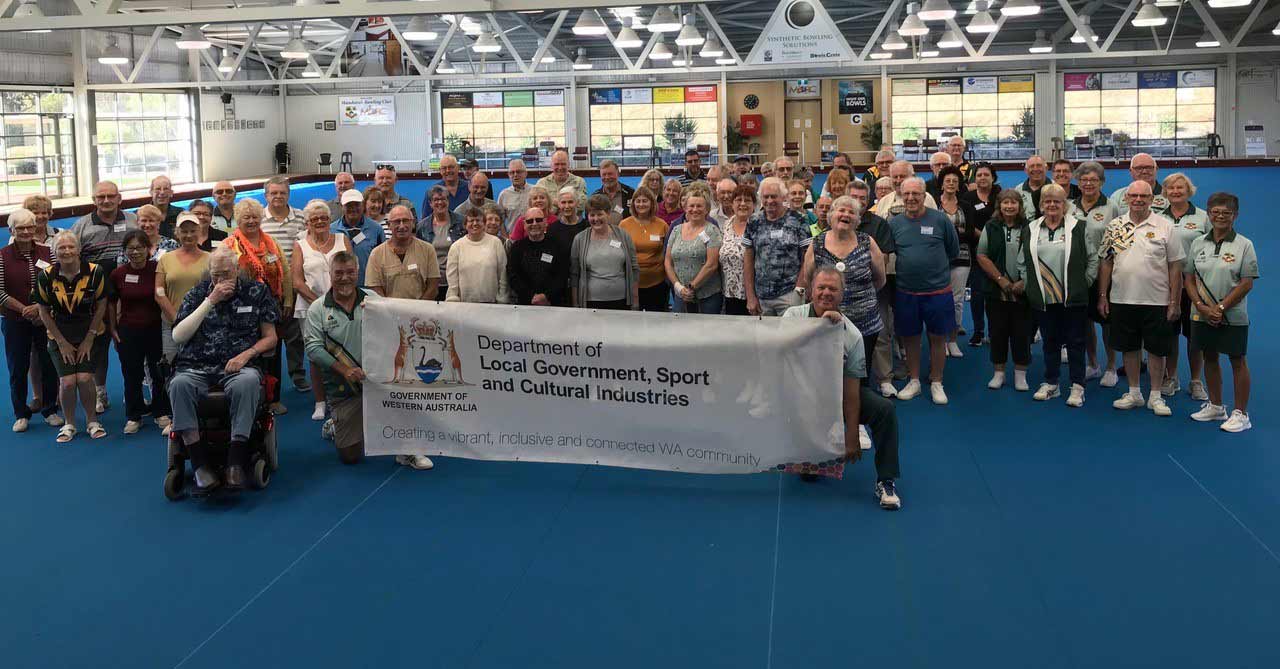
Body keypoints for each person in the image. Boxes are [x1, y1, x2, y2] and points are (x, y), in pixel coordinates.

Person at [782, 265, 901, 511]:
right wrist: (822, 329)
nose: (826, 293)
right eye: (821, 287)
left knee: (884, 409)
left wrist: (852, 436)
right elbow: (781, 353)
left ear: (842, 295)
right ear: (811, 291)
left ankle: (886, 481)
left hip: (836, 394)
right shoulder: (792, 317)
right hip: (800, 396)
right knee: (808, 474)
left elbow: (851, 388)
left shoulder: (853, 335)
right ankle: (807, 450)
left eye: (833, 289)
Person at [304, 252, 434, 469]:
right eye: (339, 273)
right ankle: (337, 423)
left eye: (350, 272)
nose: (345, 278)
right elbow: (313, 349)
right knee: (350, 457)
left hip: (379, 380)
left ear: (358, 273)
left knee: (407, 391)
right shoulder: (318, 308)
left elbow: (398, 329)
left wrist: (381, 315)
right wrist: (345, 370)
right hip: (345, 388)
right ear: (330, 274)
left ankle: (407, 450)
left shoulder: (373, 299)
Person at [169, 247, 279, 493]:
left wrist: (247, 354)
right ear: (209, 273)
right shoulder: (197, 295)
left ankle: (235, 461)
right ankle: (199, 464)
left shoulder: (257, 292)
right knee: (178, 384)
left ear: (237, 269)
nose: (221, 280)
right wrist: (210, 301)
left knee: (247, 382)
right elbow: (178, 335)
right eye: (216, 275)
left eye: (226, 274)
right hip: (196, 365)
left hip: (239, 365)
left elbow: (270, 338)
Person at [1097, 180, 1184, 417]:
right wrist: (1103, 295)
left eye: (1143, 196)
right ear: (1125, 198)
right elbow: (1105, 262)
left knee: (1157, 350)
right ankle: (1134, 393)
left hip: (1157, 300)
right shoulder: (1114, 226)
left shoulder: (1165, 227)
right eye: (1133, 195)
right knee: (1129, 348)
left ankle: (1155, 395)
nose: (1137, 200)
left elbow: (1175, 268)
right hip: (1122, 299)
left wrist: (1174, 301)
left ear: (1152, 199)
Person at [1185, 192, 1258, 433]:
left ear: (1235, 216)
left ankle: (1241, 414)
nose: (1220, 217)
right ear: (1209, 213)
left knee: (1237, 360)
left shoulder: (1244, 244)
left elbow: (1247, 282)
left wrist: (1221, 308)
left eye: (1226, 213)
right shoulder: (1198, 243)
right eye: (1215, 212)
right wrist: (1201, 307)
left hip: (1232, 315)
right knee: (1209, 356)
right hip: (1202, 313)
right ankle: (1216, 406)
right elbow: (1188, 278)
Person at [1021, 184, 1098, 407]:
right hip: (1044, 298)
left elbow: (1093, 259)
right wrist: (1031, 286)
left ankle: (1077, 386)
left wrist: (1085, 283)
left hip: (1073, 296)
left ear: (1065, 205)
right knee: (1050, 342)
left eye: (1057, 201)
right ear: (1041, 205)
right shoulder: (1031, 228)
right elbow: (1021, 261)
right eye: (1047, 201)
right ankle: (1051, 383)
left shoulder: (1079, 227)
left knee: (1076, 341)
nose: (1052, 205)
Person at [888, 177, 960, 404]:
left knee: (938, 337)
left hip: (937, 291)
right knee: (910, 338)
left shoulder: (940, 220)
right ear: (901, 196)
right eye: (906, 194)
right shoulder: (895, 224)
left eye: (915, 194)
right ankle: (915, 380)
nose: (910, 198)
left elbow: (953, 250)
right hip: (906, 292)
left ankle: (937, 381)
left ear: (924, 196)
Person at [33, 231, 108, 443]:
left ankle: (92, 421)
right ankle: (69, 424)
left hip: (90, 333)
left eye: (70, 247)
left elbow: (102, 305)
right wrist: (62, 343)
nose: (66, 251)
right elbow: (43, 311)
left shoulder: (95, 272)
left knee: (84, 378)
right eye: (61, 248)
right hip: (59, 335)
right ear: (54, 252)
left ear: (79, 249)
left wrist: (89, 338)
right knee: (67, 382)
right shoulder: (45, 276)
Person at [70, 180, 136, 413]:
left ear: (119, 198)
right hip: (94, 300)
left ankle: (133, 392)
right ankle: (100, 392)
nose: (106, 201)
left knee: (128, 346)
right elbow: (71, 259)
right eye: (101, 197)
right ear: (94, 200)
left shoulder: (133, 221)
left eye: (111, 196)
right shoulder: (81, 226)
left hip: (128, 298)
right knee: (98, 347)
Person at [223, 198, 292, 415]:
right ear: (238, 220)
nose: (251, 221)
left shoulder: (271, 242)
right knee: (247, 352)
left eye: (255, 217)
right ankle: (248, 398)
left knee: (272, 353)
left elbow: (286, 272)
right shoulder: (229, 245)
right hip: (241, 311)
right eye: (246, 217)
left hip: (271, 307)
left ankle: (273, 399)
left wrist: (288, 300)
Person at [797, 195, 886, 351]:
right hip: (825, 322)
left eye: (851, 212)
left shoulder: (867, 242)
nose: (846, 215)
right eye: (841, 210)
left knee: (861, 370)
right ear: (832, 215)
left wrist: (859, 298)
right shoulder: (817, 243)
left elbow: (880, 280)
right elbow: (808, 279)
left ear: (858, 220)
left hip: (864, 323)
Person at [0, 209, 61, 432]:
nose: (26, 231)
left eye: (29, 227)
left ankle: (50, 409)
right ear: (11, 230)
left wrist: (39, 307)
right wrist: (24, 309)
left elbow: (57, 283)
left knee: (49, 364)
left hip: (46, 319)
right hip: (15, 319)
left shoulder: (49, 252)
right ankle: (21, 414)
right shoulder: (2, 255)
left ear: (35, 228)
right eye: (20, 228)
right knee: (18, 367)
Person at [108, 230, 170, 434]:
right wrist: (113, 328)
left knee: (158, 372)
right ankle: (134, 416)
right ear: (124, 251)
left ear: (148, 249)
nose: (135, 252)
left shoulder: (158, 269)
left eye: (139, 247)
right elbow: (111, 302)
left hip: (154, 330)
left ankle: (161, 412)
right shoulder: (118, 274)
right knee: (131, 374)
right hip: (128, 331)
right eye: (130, 248)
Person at [292, 200, 349, 421]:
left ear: (329, 220)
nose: (319, 222)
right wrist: (320, 304)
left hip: (343, 305)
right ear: (307, 222)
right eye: (314, 219)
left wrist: (337, 301)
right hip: (310, 308)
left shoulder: (342, 240)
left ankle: (342, 399)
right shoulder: (300, 245)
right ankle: (320, 402)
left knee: (343, 353)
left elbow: (351, 271)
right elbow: (297, 281)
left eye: (323, 218)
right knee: (316, 355)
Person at [975, 190, 1033, 392]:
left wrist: (1024, 282)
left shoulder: (1029, 227)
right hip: (995, 290)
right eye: (1005, 203)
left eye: (1014, 203)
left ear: (1020, 206)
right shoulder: (991, 227)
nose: (1010, 206)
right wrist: (1000, 280)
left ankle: (1020, 375)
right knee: (997, 332)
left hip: (1023, 292)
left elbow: (1036, 256)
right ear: (999, 206)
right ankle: (998, 373)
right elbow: (982, 255)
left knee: (1022, 333)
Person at [1069, 160, 1120, 384]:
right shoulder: (1070, 207)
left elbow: (1117, 240)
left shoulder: (1111, 207)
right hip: (1079, 274)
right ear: (1077, 183)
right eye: (1084, 180)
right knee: (1085, 321)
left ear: (1101, 182)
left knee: (1107, 320)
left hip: (1104, 272)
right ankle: (1093, 363)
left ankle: (1111, 367)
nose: (1088, 183)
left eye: (1094, 180)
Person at [1161, 172, 1209, 400]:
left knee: (1194, 336)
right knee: (1169, 335)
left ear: (1189, 190)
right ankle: (1171, 378)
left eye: (1180, 188)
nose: (1176, 192)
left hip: (1194, 287)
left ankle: (1196, 380)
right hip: (1165, 286)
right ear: (1165, 192)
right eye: (1171, 188)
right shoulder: (1158, 218)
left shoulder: (1202, 218)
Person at [259, 177, 309, 394]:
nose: (278, 196)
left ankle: (297, 374)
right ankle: (268, 381)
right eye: (273, 193)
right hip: (267, 290)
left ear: (289, 194)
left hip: (296, 285)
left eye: (282, 193)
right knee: (268, 335)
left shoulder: (301, 218)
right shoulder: (257, 218)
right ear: (266, 195)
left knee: (295, 335)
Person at [743, 177, 811, 316]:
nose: (769, 201)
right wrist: (750, 296)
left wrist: (799, 290)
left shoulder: (799, 220)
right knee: (764, 337)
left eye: (773, 196)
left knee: (790, 337)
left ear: (783, 197)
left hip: (790, 294)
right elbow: (748, 259)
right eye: (765, 197)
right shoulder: (753, 221)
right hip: (761, 297)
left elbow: (808, 257)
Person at [933, 166, 980, 358]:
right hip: (936, 259)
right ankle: (940, 341)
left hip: (962, 257)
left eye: (955, 180)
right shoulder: (933, 204)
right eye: (948, 180)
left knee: (957, 301)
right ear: (942, 183)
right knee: (938, 300)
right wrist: (954, 233)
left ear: (959, 184)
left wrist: (948, 234)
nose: (951, 183)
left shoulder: (966, 206)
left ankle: (952, 340)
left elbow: (969, 233)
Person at [155, 213, 210, 362]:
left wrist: (193, 320)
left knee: (201, 366)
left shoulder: (210, 259)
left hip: (202, 323)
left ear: (200, 232)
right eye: (184, 231)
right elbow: (159, 292)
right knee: (171, 365)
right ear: (177, 233)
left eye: (193, 231)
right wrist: (176, 319)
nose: (189, 235)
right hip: (170, 323)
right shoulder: (165, 258)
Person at [570, 194, 639, 310]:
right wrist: (576, 304)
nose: (596, 219)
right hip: (590, 302)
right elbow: (574, 274)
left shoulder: (623, 235)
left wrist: (635, 301)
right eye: (592, 215)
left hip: (622, 300)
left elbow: (634, 268)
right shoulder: (580, 239)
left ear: (608, 214)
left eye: (600, 214)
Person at [961, 162, 1000, 346]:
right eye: (979, 175)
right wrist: (984, 236)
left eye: (986, 175)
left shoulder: (1000, 195)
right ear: (974, 179)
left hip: (998, 251)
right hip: (975, 250)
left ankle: (994, 332)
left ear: (993, 178)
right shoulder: (967, 198)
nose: (982, 178)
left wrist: (991, 238)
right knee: (977, 293)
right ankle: (978, 331)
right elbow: (967, 224)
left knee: (994, 294)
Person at [664, 192, 723, 314]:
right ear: (685, 208)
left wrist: (691, 287)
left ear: (707, 209)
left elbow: (711, 265)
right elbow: (668, 262)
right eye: (691, 206)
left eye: (699, 206)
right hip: (681, 295)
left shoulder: (712, 231)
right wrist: (679, 288)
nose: (695, 209)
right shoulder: (676, 230)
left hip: (707, 296)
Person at [366, 205, 440, 300]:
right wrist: (389, 311)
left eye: (405, 221)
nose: (402, 226)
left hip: (421, 312)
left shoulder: (428, 250)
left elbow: (433, 287)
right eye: (397, 221)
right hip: (389, 313)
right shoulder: (376, 254)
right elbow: (375, 290)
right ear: (388, 225)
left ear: (413, 223)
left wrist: (419, 310)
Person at [618, 186, 670, 312]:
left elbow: (668, 253)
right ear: (633, 203)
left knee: (657, 323)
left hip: (657, 283)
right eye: (638, 201)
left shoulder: (662, 225)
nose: (641, 204)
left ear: (652, 203)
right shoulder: (624, 224)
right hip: (631, 283)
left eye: (645, 201)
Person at [507, 206, 570, 307]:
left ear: (545, 222)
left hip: (553, 304)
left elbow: (562, 275)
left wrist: (546, 296)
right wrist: (530, 296)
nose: (534, 224)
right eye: (530, 221)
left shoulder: (558, 246)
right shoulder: (517, 248)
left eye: (539, 220)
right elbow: (513, 275)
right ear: (524, 225)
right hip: (525, 305)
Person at [446, 206, 510, 304]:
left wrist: (502, 298)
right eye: (471, 221)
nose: (475, 224)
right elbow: (452, 279)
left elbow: (503, 273)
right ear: (465, 225)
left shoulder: (495, 243)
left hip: (492, 304)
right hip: (464, 305)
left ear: (484, 223)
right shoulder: (456, 247)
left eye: (478, 220)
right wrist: (453, 298)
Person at [416, 186, 467, 301]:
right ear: (430, 203)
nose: (440, 202)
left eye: (443, 199)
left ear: (448, 201)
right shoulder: (422, 227)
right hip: (432, 284)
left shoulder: (462, 222)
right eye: (436, 200)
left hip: (457, 282)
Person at [330, 188, 385, 288]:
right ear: (342, 207)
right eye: (349, 205)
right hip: (339, 288)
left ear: (363, 205)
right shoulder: (331, 230)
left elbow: (383, 260)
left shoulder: (376, 229)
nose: (353, 208)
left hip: (368, 287)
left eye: (357, 205)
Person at [720, 185, 755, 316]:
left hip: (754, 294)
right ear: (732, 203)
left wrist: (752, 297)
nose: (742, 204)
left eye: (747, 200)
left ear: (754, 204)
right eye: (738, 200)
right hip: (729, 293)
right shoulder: (726, 225)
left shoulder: (759, 224)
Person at [547, 187, 588, 264]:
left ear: (577, 202)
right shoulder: (552, 229)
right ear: (558, 204)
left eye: (570, 202)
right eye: (563, 202)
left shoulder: (587, 226)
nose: (567, 206)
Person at [593, 159, 635, 225]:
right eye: (604, 174)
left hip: (625, 234)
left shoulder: (631, 193)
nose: (607, 177)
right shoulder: (595, 197)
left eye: (610, 174)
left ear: (618, 174)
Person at [498, 158, 532, 234]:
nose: (515, 175)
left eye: (519, 172)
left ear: (525, 173)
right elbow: (500, 221)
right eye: (512, 172)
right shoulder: (503, 195)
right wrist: (505, 238)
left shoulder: (535, 191)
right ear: (508, 175)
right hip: (513, 239)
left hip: (533, 237)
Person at [1013, 155, 1049, 219]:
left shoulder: (1056, 188)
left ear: (1046, 168)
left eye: (1039, 165)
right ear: (1026, 170)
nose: (1035, 169)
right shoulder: (1018, 190)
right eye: (1032, 166)